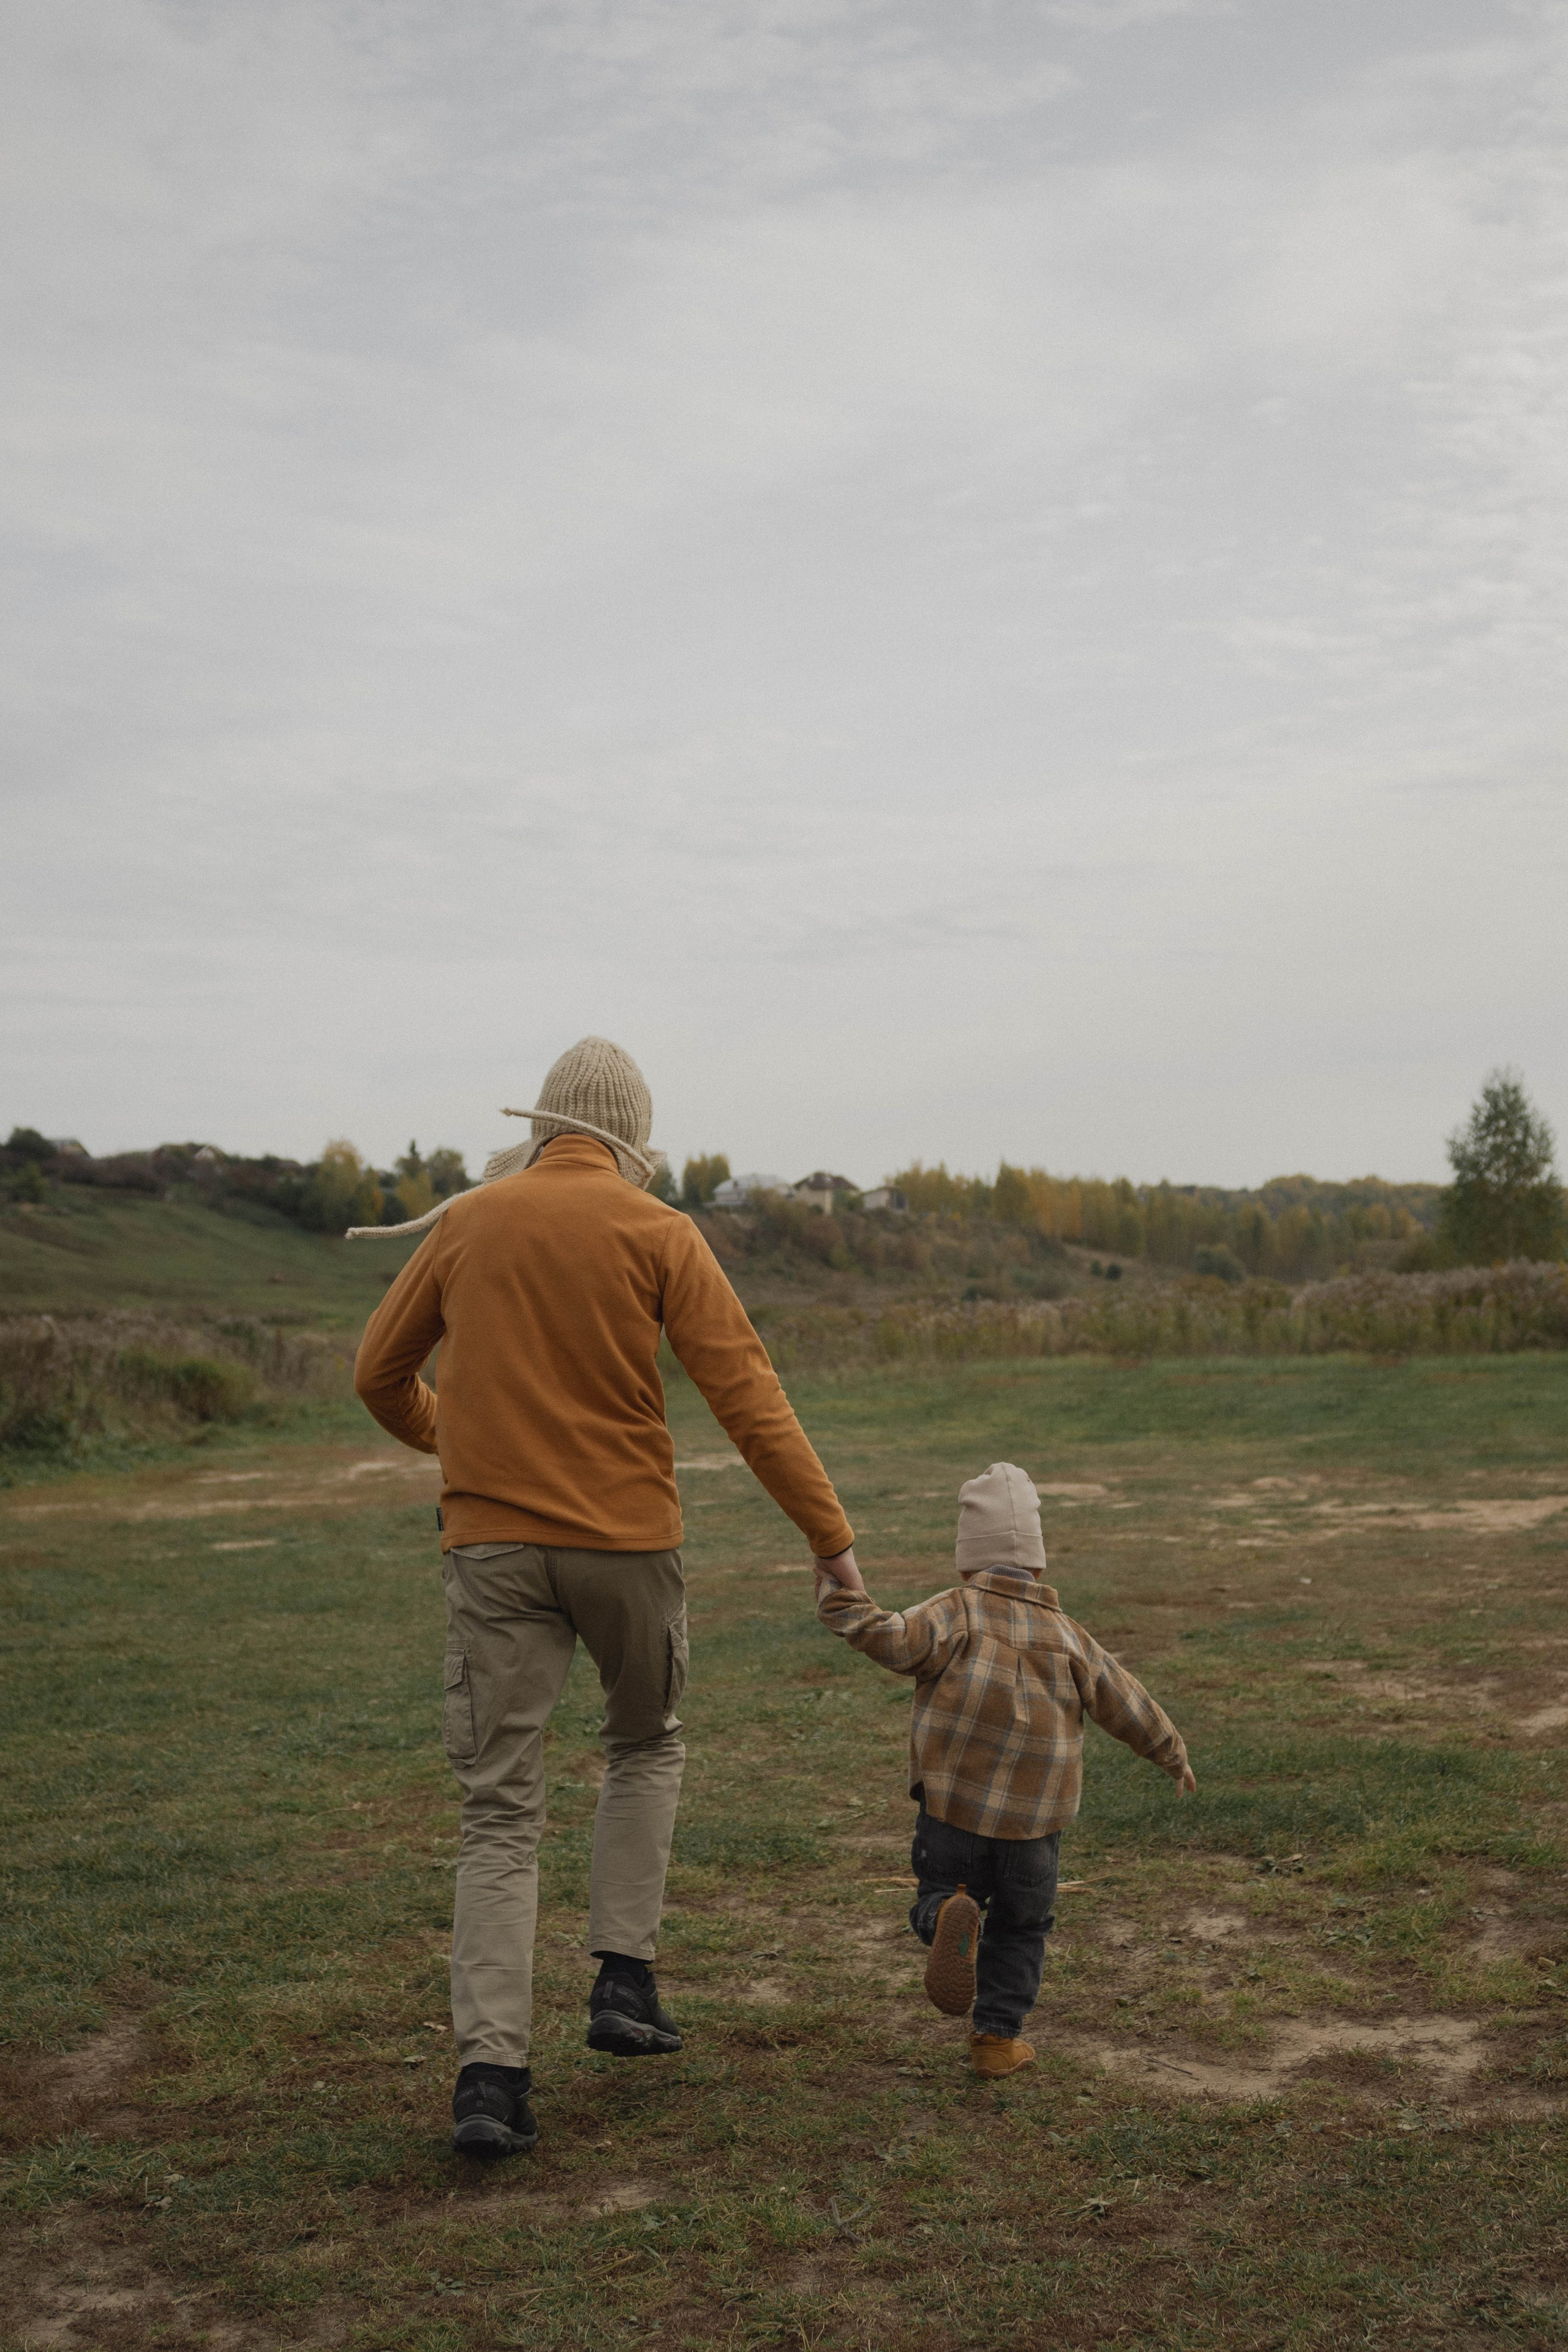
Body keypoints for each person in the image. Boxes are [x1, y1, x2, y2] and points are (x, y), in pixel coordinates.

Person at [350, 1037, 856, 2158]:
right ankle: (623, 1978)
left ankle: (490, 2078)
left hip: (492, 1550)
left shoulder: (471, 1221)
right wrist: (830, 1538)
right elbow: (748, 1396)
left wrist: (459, 1447)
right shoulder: (660, 1231)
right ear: (632, 1139)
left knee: (499, 1810)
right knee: (646, 1741)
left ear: (538, 1127)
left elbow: (377, 1375)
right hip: (630, 1547)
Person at [813, 1461, 1194, 2078]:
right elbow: (1124, 1700)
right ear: (1038, 1564)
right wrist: (1169, 1752)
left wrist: (838, 1596)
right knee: (1021, 1928)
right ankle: (996, 2040)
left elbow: (888, 1638)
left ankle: (943, 1919)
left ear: (967, 1561)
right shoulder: (1070, 1637)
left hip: (953, 1814)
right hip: (1034, 1831)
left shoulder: (952, 1613)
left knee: (941, 1891)